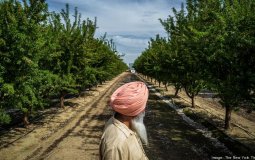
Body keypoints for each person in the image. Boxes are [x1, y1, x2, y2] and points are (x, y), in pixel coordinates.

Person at [99, 81, 149, 160]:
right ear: (134, 110)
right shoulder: (117, 144)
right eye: (143, 106)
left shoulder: (117, 122)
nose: (144, 110)